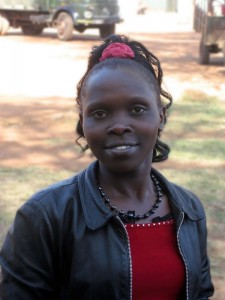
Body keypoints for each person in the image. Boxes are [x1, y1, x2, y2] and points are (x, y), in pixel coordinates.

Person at [0, 34, 214, 299]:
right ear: (83, 122)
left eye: (137, 109)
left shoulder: (190, 210)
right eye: (100, 113)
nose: (119, 125)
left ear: (160, 115)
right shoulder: (44, 217)